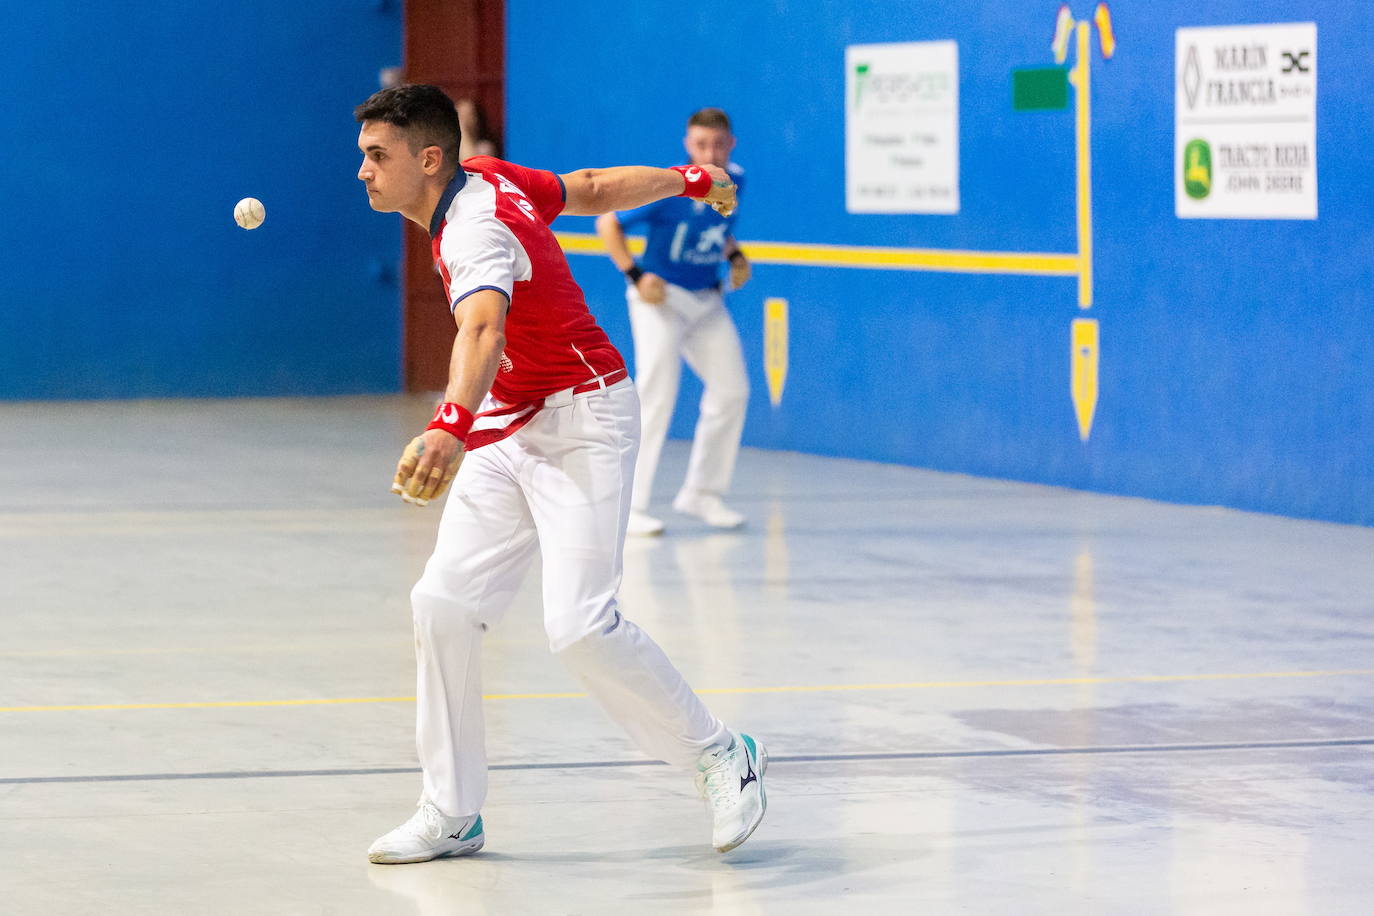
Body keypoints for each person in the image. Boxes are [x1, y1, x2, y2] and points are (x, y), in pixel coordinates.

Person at [352, 84, 767, 864]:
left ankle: (719, 754)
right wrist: (688, 177)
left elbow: (482, 324)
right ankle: (451, 811)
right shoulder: (490, 178)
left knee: (579, 625)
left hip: (583, 419)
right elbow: (590, 189)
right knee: (442, 603)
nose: (364, 172)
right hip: (512, 426)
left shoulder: (473, 226)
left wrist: (448, 424)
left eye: (379, 157)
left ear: (430, 159)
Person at [596, 108, 752, 537]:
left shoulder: (735, 180)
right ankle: (631, 506)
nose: (710, 153)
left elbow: (717, 230)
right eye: (701, 144)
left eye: (718, 144)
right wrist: (635, 273)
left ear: (731, 144)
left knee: (733, 391)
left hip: (706, 300)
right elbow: (607, 221)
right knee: (657, 391)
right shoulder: (670, 185)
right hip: (658, 298)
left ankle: (702, 494)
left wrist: (735, 256)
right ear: (687, 144)